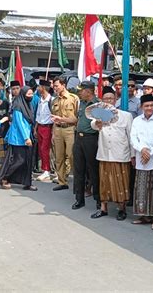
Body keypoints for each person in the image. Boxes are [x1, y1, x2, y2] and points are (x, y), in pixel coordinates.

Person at [90, 86, 133, 220]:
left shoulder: (126, 116)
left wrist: (133, 155)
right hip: (104, 154)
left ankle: (122, 209)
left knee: (121, 182)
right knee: (104, 182)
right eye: (106, 98)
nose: (109, 100)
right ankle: (103, 208)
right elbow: (93, 125)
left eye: (111, 98)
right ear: (102, 100)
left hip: (121, 154)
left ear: (116, 99)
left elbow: (131, 136)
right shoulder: (99, 115)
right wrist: (98, 122)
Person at [130, 94, 153, 230]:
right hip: (141, 159)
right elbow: (133, 139)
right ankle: (143, 215)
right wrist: (142, 150)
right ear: (141, 107)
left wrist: (149, 153)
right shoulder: (136, 121)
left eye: (152, 105)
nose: (149, 108)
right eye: (146, 106)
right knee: (141, 188)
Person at [0, 86, 37, 191]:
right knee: (19, 160)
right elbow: (19, 123)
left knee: (28, 161)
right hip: (18, 139)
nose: (30, 96)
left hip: (28, 136)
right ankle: (4, 177)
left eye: (32, 94)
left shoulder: (28, 104)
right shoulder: (18, 105)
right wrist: (26, 138)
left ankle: (27, 183)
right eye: (29, 94)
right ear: (23, 95)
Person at [71, 81, 100, 210]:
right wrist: (62, 119)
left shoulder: (97, 105)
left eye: (81, 90)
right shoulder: (81, 103)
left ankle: (99, 200)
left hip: (91, 139)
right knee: (78, 170)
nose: (79, 93)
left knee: (93, 170)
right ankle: (79, 199)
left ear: (88, 91)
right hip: (79, 138)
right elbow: (77, 119)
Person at [50, 77, 79, 191]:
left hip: (70, 129)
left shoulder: (73, 98)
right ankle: (62, 181)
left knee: (71, 156)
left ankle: (77, 181)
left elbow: (77, 117)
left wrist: (62, 119)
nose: (55, 88)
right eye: (54, 86)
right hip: (58, 130)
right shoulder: (54, 100)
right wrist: (53, 133)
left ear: (63, 85)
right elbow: (53, 118)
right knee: (59, 157)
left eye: (56, 85)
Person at [34, 80, 54, 182]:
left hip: (48, 127)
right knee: (41, 150)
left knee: (45, 149)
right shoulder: (40, 100)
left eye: (39, 86)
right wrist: (35, 128)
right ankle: (44, 169)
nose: (38, 88)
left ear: (44, 88)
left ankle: (47, 170)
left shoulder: (52, 100)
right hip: (40, 126)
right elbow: (38, 114)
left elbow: (54, 116)